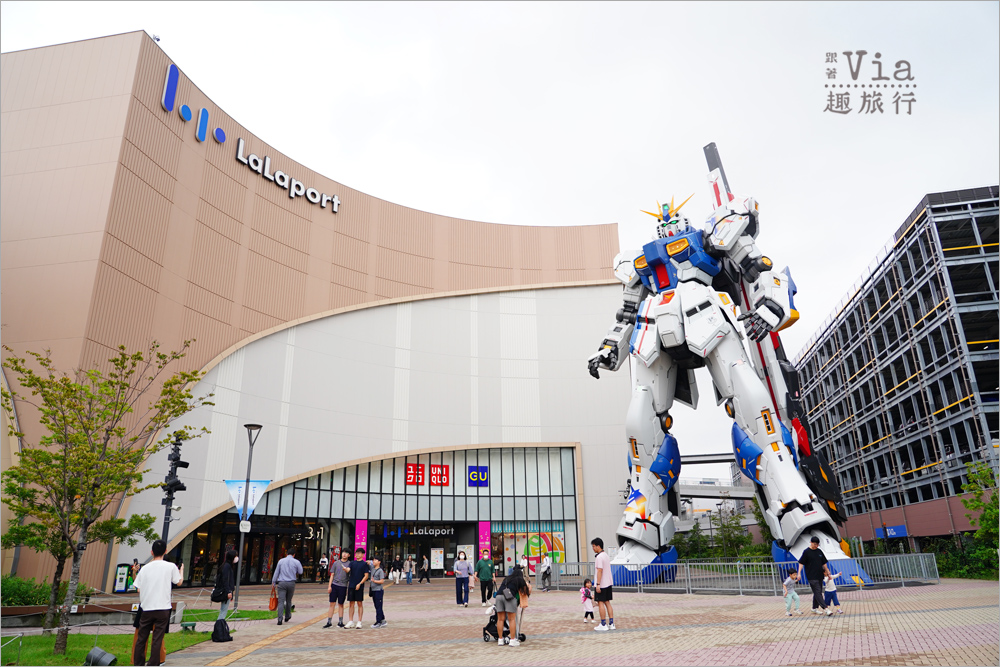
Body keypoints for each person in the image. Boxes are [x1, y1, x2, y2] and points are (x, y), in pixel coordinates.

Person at [132, 539, 182, 667]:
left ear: (151, 552)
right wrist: (181, 570)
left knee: (141, 639)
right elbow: (179, 582)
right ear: (165, 551)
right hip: (163, 608)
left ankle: (138, 664)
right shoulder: (170, 566)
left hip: (146, 608)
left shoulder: (145, 569)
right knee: (157, 640)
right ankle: (153, 664)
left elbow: (137, 586)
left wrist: (135, 572)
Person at [494, 564, 530, 647]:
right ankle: (512, 640)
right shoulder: (519, 579)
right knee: (511, 619)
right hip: (509, 598)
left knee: (500, 619)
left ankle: (500, 640)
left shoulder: (507, 578)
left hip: (499, 596)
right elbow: (525, 591)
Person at [797, 535, 834, 616]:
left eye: (817, 544)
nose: (816, 546)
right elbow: (801, 563)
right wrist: (799, 573)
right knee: (818, 592)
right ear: (810, 542)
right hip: (811, 576)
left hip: (820, 575)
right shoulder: (806, 552)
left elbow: (824, 563)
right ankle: (826, 609)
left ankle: (814, 608)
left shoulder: (819, 551)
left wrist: (828, 572)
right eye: (814, 544)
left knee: (818, 592)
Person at [271, 547, 303, 626]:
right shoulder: (296, 562)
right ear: (294, 555)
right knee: (289, 600)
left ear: (286, 554)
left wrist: (273, 582)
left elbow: (276, 572)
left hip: (281, 583)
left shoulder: (281, 561)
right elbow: (301, 571)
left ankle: (280, 618)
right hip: (291, 583)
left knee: (281, 601)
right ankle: (287, 616)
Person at [323, 549, 352, 628]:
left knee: (341, 604)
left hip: (343, 586)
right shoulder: (336, 563)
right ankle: (329, 622)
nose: (344, 554)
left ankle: (340, 622)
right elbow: (332, 575)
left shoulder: (350, 564)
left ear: (349, 555)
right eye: (343, 552)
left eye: (346, 553)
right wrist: (329, 586)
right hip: (334, 585)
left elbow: (350, 575)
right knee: (332, 603)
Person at [591, 537, 615, 631]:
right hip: (608, 582)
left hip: (602, 584)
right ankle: (611, 624)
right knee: (607, 602)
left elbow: (599, 571)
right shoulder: (606, 555)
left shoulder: (599, 557)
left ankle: (603, 624)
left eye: (593, 546)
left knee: (600, 602)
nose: (593, 548)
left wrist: (598, 584)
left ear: (598, 546)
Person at [346, 547, 371, 628]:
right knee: (351, 603)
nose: (357, 554)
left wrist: (360, 583)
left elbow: (366, 576)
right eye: (356, 553)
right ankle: (350, 621)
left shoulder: (364, 564)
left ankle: (359, 621)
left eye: (359, 553)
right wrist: (345, 569)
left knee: (359, 603)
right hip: (351, 585)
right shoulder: (352, 563)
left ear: (363, 555)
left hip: (359, 586)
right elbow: (348, 569)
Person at [215, 550, 237, 621]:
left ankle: (220, 627)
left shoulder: (226, 565)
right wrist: (228, 592)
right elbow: (225, 580)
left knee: (223, 610)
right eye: (235, 556)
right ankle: (219, 627)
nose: (236, 558)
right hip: (226, 591)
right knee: (223, 611)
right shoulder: (227, 566)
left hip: (227, 591)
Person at [369, 555, 387, 628]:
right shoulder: (372, 568)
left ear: (379, 562)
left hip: (378, 590)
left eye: (375, 560)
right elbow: (368, 562)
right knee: (377, 606)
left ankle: (378, 622)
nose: (373, 561)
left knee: (378, 606)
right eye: (373, 560)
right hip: (373, 590)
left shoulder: (380, 571)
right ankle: (383, 620)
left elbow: (382, 581)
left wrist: (374, 581)